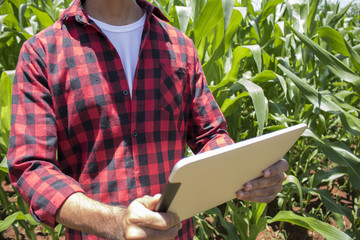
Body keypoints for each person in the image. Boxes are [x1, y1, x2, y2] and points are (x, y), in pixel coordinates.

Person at [7, 0, 288, 239]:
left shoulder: (179, 46)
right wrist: (115, 222)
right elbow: (32, 167)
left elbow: (210, 134)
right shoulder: (43, 53)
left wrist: (250, 172)